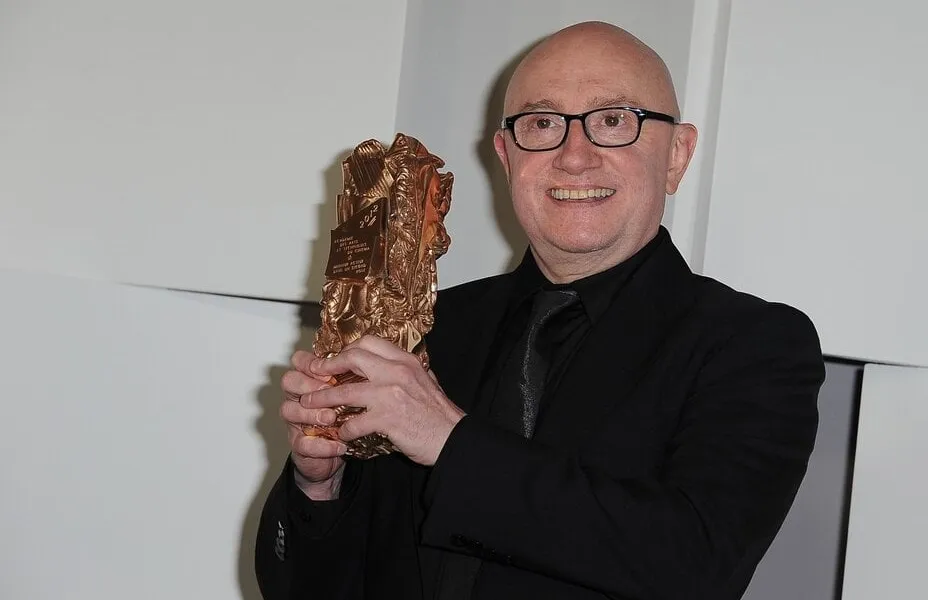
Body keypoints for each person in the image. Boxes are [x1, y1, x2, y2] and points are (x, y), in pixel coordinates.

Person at [255, 20, 825, 600]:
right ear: (506, 157)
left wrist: (449, 441)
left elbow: (695, 563)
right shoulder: (430, 328)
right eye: (542, 124)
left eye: (612, 121)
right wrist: (320, 485)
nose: (574, 157)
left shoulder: (754, 344)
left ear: (677, 155)